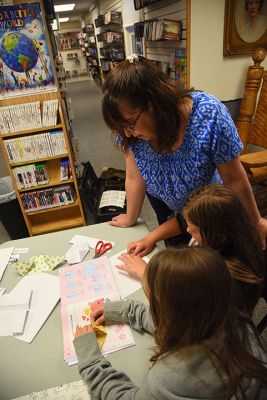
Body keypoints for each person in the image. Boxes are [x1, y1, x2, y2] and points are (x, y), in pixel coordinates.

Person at [102, 54, 267, 249]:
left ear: (153, 104)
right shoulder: (130, 131)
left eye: (130, 123)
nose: (128, 133)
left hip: (207, 211)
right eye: (121, 127)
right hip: (168, 210)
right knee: (177, 256)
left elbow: (234, 178)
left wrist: (255, 222)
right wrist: (130, 217)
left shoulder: (208, 114)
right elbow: (134, 175)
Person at [73, 247, 267, 400]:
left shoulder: (169, 377)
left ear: (170, 312)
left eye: (152, 300)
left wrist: (90, 359)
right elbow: (171, 325)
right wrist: (123, 310)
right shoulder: (239, 323)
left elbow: (124, 397)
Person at [117, 184, 265, 314]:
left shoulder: (216, 273)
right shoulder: (234, 231)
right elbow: (181, 222)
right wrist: (149, 238)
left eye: (193, 229)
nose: (187, 230)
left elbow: (172, 306)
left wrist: (144, 273)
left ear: (217, 235)